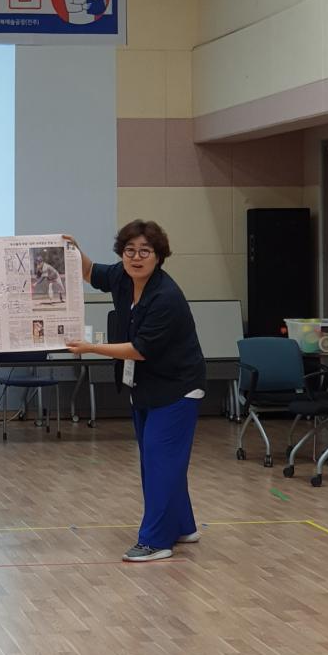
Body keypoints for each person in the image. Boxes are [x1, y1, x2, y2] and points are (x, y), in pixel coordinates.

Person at [64, 221, 206, 562]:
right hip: (146, 386)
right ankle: (183, 526)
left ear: (158, 256)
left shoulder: (165, 297)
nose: (136, 257)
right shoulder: (122, 277)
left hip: (177, 388)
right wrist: (73, 250)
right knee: (159, 461)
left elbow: (140, 350)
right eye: (130, 251)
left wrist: (91, 347)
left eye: (145, 251)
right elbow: (90, 273)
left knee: (159, 463)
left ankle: (156, 541)